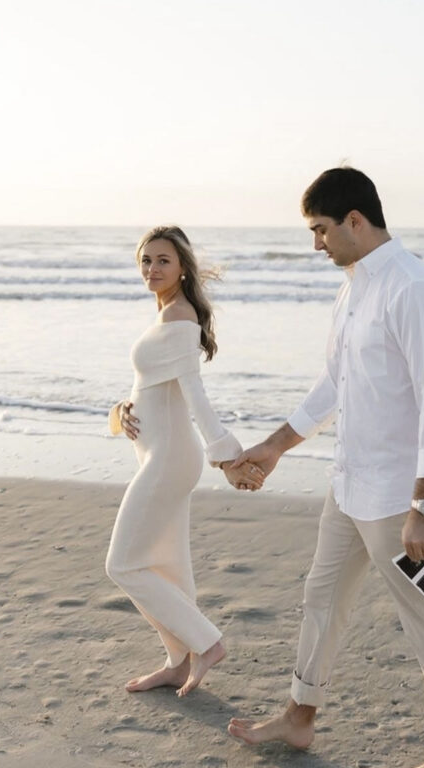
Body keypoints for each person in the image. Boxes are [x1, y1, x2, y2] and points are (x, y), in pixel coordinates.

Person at [227, 169, 424, 768]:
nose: (316, 244)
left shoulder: (414, 289)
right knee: (321, 597)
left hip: (400, 495)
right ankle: (299, 717)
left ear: (356, 221)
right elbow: (335, 382)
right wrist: (276, 445)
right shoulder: (354, 289)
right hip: (349, 484)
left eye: (320, 230)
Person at [105, 225, 265, 697]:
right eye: (146, 260)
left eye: (163, 261)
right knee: (165, 564)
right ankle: (177, 662)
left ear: (182, 268)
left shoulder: (178, 315)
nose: (151, 269)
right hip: (161, 455)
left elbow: (195, 395)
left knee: (122, 565)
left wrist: (227, 457)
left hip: (170, 459)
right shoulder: (167, 314)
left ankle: (205, 643)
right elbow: (156, 386)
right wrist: (120, 412)